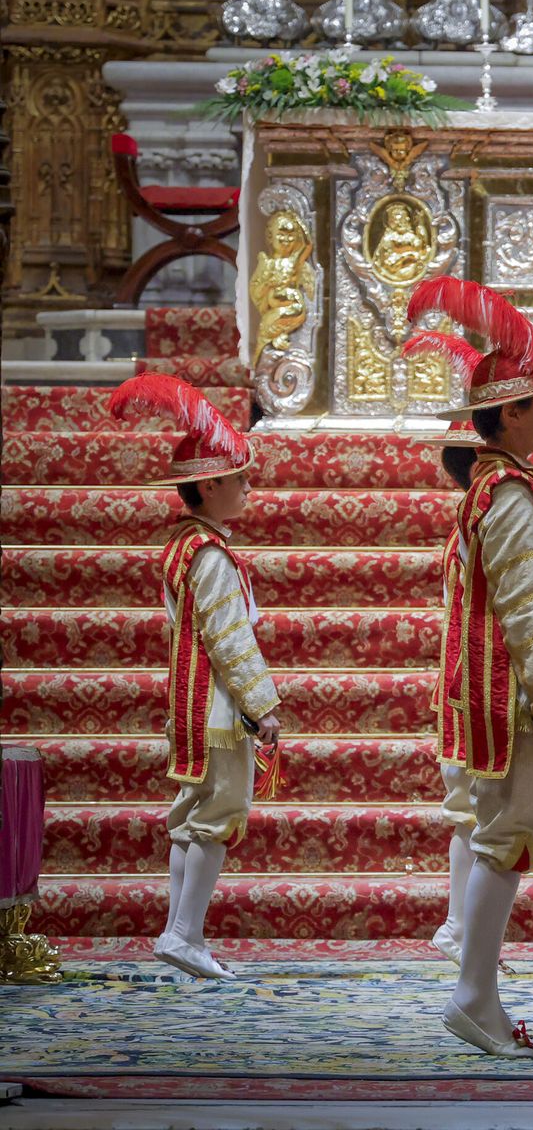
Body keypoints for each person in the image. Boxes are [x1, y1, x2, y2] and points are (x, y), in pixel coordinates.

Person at [404, 276, 533, 1057]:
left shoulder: (508, 486)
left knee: (507, 835)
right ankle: (474, 994)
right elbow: (525, 603)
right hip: (517, 694)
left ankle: (478, 991)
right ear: (512, 412)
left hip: (511, 688)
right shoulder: (513, 494)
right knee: (506, 836)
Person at [109, 373, 283, 981]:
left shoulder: (186, 545)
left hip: (190, 701)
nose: (248, 490)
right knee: (218, 813)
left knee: (192, 815)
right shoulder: (209, 554)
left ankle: (177, 932)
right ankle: (185, 933)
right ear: (209, 484)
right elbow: (230, 640)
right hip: (216, 708)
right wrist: (263, 706)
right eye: (240, 479)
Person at [403, 407, 488, 968]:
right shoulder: (481, 518)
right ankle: (459, 925)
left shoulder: (476, 516)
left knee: (474, 808)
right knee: (474, 807)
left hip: (467, 675)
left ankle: (461, 925)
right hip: (475, 680)